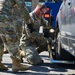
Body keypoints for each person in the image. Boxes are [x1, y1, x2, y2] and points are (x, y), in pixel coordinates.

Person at [0, 0, 32, 72]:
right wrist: (29, 22)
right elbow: (22, 7)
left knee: (0, 41)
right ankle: (16, 64)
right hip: (4, 18)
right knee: (12, 40)